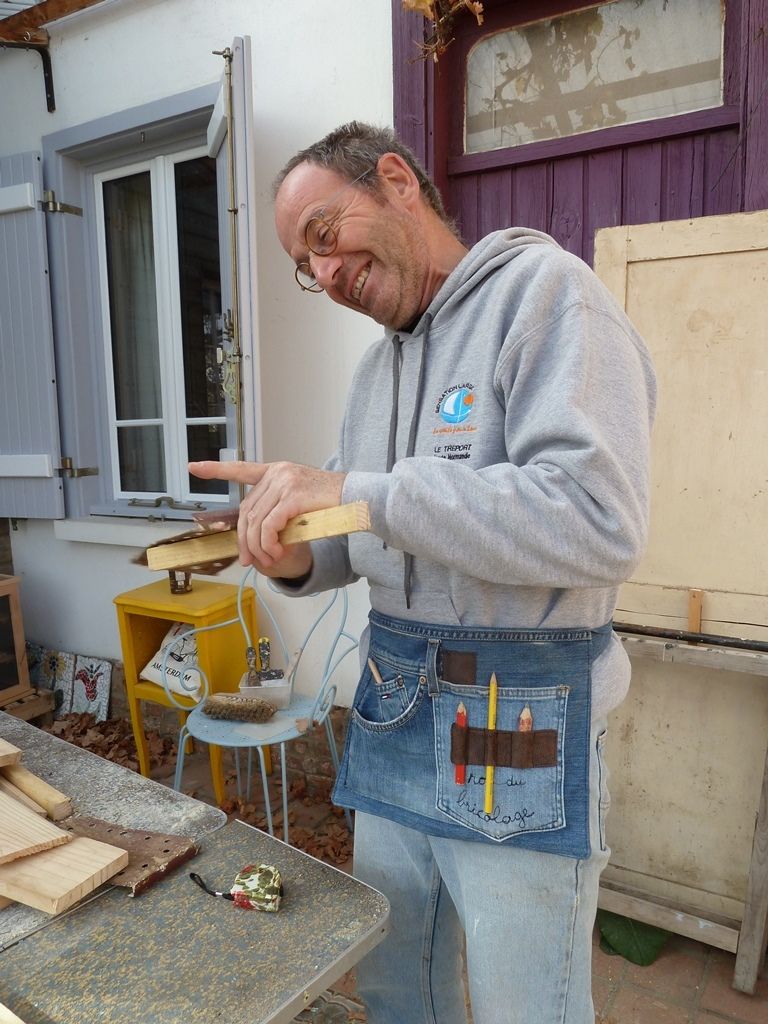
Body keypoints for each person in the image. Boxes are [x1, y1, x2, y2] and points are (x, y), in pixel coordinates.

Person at [190, 121, 656, 1024]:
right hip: (395, 706)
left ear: (397, 181)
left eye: (324, 236)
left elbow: (598, 521)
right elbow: (364, 523)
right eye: (303, 263)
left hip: (511, 717)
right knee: (398, 975)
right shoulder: (376, 372)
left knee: (531, 1003)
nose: (322, 275)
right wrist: (295, 554)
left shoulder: (547, 296)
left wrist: (364, 492)